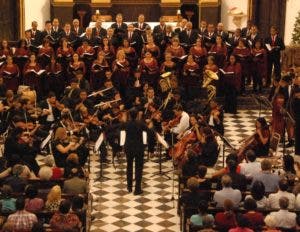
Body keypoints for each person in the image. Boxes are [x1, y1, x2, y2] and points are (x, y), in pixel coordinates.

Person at [124, 108, 148, 195]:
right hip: (138, 148)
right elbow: (148, 130)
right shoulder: (141, 124)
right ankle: (137, 189)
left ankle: (129, 187)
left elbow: (120, 129)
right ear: (137, 115)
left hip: (129, 148)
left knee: (129, 166)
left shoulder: (126, 124)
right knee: (138, 168)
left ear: (129, 115)